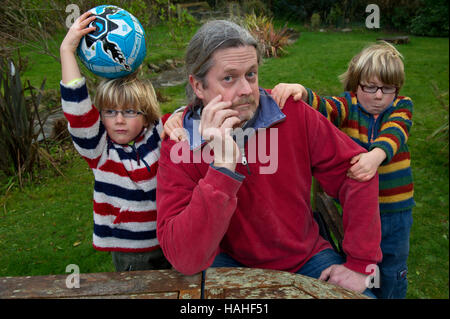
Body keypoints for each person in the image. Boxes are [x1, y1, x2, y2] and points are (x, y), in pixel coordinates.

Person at [156, 20, 382, 297]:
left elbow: (357, 172)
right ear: (198, 86)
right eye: (229, 78)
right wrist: (223, 167)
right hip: (228, 262)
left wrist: (360, 263)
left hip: (306, 257)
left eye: (251, 74)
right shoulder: (180, 141)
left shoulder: (292, 113)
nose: (246, 90)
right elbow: (184, 257)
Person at [271, 41, 414, 298]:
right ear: (356, 84)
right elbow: (324, 107)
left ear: (398, 89)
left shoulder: (401, 106)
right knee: (363, 260)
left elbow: (396, 133)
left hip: (394, 210)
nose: (379, 95)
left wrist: (375, 157)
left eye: (388, 88)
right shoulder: (349, 105)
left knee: (391, 268)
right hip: (358, 210)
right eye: (370, 87)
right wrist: (301, 92)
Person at [60, 11, 171, 271]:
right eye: (110, 112)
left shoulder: (158, 135)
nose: (119, 119)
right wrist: (67, 50)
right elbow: (76, 108)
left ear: (146, 116)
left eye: (130, 111)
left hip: (170, 241)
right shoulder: (100, 149)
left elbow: (192, 115)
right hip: (130, 254)